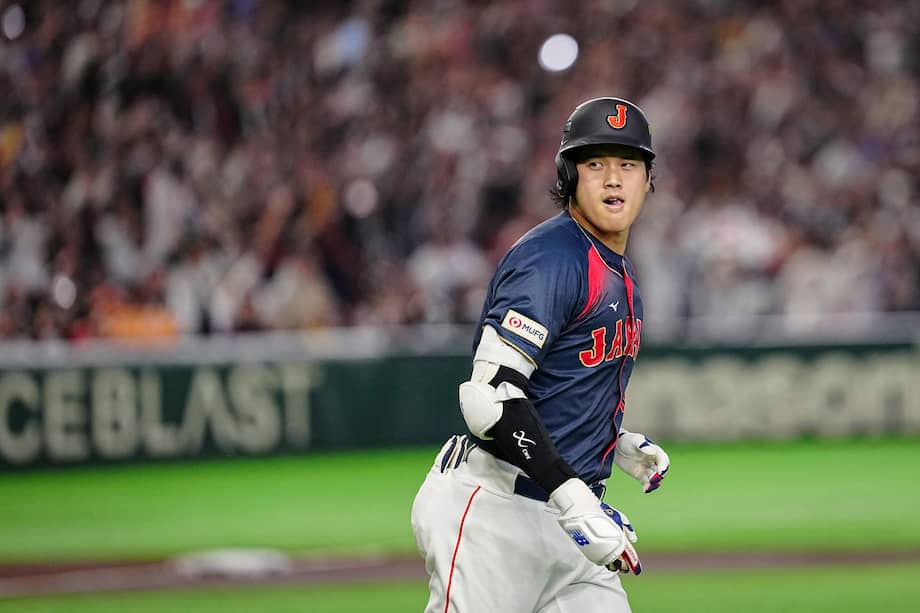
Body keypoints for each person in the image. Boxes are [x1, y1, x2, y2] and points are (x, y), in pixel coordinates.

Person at [411, 96, 672, 613]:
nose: (613, 179)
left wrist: (610, 442)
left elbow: (553, 385)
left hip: (566, 517)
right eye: (595, 164)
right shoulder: (551, 257)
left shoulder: (615, 267)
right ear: (568, 176)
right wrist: (572, 493)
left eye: (628, 164)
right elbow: (489, 399)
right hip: (498, 513)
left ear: (648, 179)